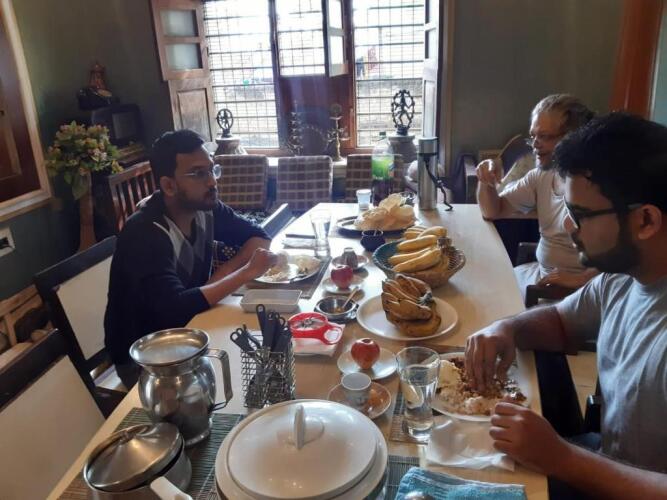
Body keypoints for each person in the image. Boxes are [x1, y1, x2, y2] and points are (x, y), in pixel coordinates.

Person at [466, 113, 667, 498]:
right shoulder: (621, 277)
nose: (569, 227)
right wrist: (507, 328)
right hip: (605, 458)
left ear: (645, 220)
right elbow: (560, 321)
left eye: (581, 215)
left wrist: (562, 458)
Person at [105, 130, 277, 388]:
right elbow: (174, 310)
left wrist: (214, 282)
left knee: (262, 360)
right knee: (246, 379)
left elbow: (258, 237)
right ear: (169, 186)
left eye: (212, 170)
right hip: (147, 361)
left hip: (191, 331)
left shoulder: (205, 208)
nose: (212, 182)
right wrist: (244, 274)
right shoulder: (144, 232)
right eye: (198, 174)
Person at [476, 94, 597, 294]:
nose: (535, 145)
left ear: (573, 137)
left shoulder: (598, 188)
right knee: (479, 286)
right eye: (533, 136)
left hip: (574, 293)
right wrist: (485, 178)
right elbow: (492, 211)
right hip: (539, 275)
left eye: (545, 136)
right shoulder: (542, 175)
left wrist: (581, 279)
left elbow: (624, 255)